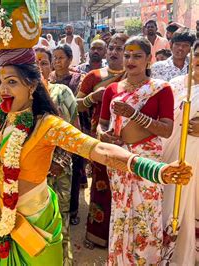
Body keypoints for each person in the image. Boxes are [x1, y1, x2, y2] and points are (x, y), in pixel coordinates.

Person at [0, 36, 191, 266]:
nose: (2, 89)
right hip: (2, 224)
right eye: (2, 81)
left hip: (35, 225)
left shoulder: (47, 125)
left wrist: (157, 170)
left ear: (32, 86)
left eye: (12, 82)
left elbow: (99, 150)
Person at [98, 36, 175, 264]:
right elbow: (102, 124)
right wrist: (103, 135)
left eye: (137, 56)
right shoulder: (112, 89)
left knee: (146, 215)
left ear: (149, 59)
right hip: (120, 160)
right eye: (127, 55)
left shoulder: (161, 90)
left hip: (147, 164)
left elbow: (167, 130)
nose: (130, 60)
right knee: (121, 213)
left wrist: (134, 114)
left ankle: (146, 260)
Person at [76, 33, 128, 249]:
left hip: (127, 140)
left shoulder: (135, 78)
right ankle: (97, 235)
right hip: (101, 135)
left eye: (120, 48)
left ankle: (123, 238)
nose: (115, 52)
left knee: (125, 189)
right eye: (112, 48)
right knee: (101, 185)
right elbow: (76, 105)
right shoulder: (94, 76)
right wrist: (93, 98)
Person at [36, 46, 77, 265]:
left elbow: (74, 132)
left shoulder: (62, 92)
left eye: (43, 62)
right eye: (34, 63)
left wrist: (60, 162)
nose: (38, 67)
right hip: (32, 173)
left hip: (59, 169)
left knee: (61, 220)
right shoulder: (21, 98)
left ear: (51, 65)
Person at [161, 40, 199, 265]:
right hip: (172, 156)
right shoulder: (175, 85)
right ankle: (170, 256)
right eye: (197, 55)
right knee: (171, 204)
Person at [49, 43, 86, 225]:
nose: (57, 61)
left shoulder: (77, 79)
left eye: (61, 57)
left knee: (73, 172)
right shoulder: (47, 79)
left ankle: (72, 210)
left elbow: (79, 104)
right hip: (52, 139)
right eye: (54, 57)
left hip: (72, 126)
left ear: (70, 59)